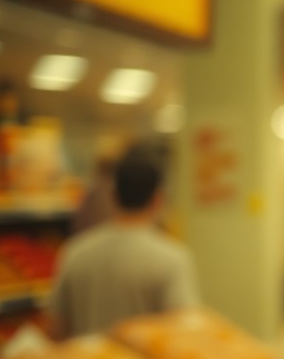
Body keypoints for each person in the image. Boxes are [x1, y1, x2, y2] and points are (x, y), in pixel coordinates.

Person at [48, 144, 200, 337]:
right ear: (158, 199)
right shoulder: (172, 258)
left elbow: (56, 330)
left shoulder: (75, 251)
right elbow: (184, 332)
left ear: (113, 196)